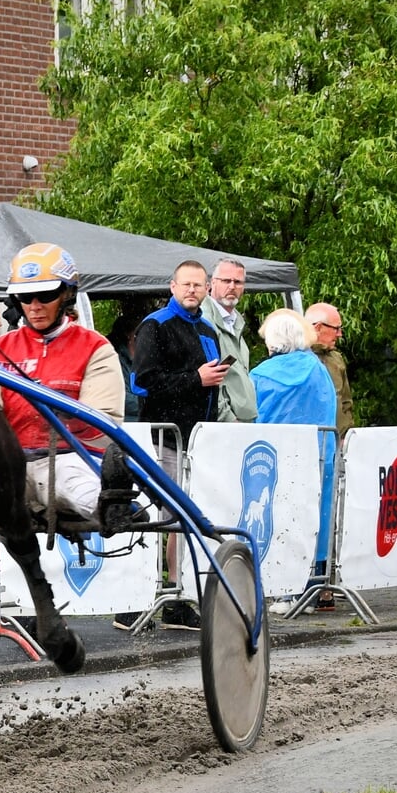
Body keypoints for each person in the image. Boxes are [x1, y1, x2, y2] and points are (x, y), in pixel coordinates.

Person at [0, 243, 125, 521]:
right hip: (6, 465)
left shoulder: (95, 348)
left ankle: (113, 506)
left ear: (67, 294)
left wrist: (62, 411)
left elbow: (104, 425)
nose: (34, 306)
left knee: (79, 489)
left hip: (66, 459)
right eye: (25, 297)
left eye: (45, 295)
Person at [132, 259, 223, 626]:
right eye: (185, 284)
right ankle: (147, 593)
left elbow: (211, 387)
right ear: (172, 287)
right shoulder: (154, 326)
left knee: (183, 518)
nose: (191, 290)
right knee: (162, 517)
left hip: (198, 442)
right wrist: (195, 380)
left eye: (198, 285)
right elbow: (143, 383)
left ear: (206, 289)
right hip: (163, 439)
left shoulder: (208, 330)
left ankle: (176, 592)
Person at [251, 310, 339, 610]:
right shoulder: (318, 370)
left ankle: (283, 591)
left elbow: (251, 417)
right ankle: (315, 589)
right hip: (318, 456)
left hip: (276, 462)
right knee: (317, 520)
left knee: (280, 522)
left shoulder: (261, 376)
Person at [206, 260, 257, 423]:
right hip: (225, 424)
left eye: (238, 282)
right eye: (226, 281)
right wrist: (228, 418)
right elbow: (209, 378)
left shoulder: (236, 321)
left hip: (241, 421)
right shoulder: (204, 320)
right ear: (212, 283)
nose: (232, 286)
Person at [306, 302, 353, 440]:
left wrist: (347, 434)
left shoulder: (336, 358)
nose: (340, 334)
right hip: (311, 440)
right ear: (318, 327)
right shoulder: (297, 357)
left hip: (339, 439)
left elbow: (346, 402)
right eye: (336, 328)